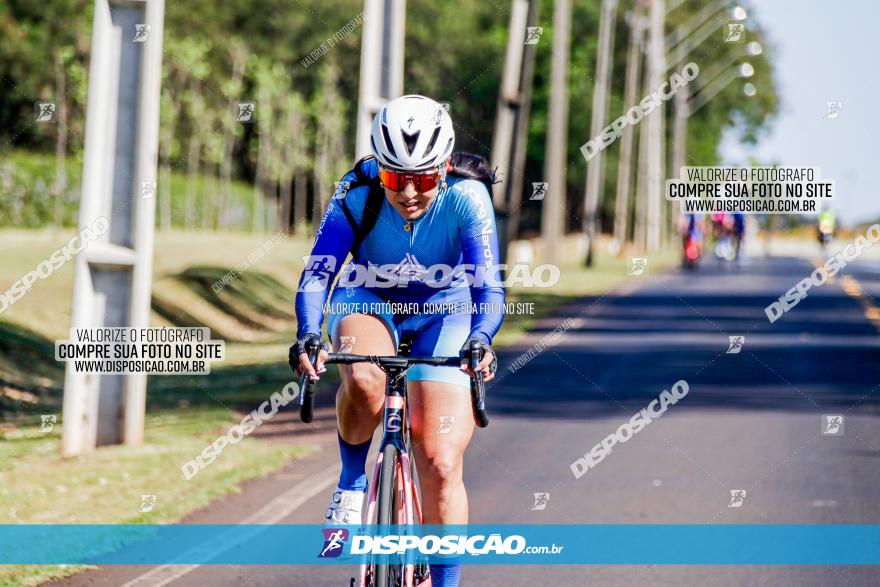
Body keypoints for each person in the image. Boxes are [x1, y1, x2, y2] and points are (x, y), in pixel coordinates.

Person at [292, 95, 504, 587]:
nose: (409, 191)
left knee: (440, 459)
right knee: (364, 380)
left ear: (446, 168)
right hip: (368, 298)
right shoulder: (355, 191)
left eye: (425, 178)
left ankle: (443, 580)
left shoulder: (467, 199)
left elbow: (488, 287)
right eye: (394, 177)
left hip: (445, 311)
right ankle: (351, 480)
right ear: (379, 169)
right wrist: (307, 332)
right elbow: (318, 273)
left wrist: (480, 338)